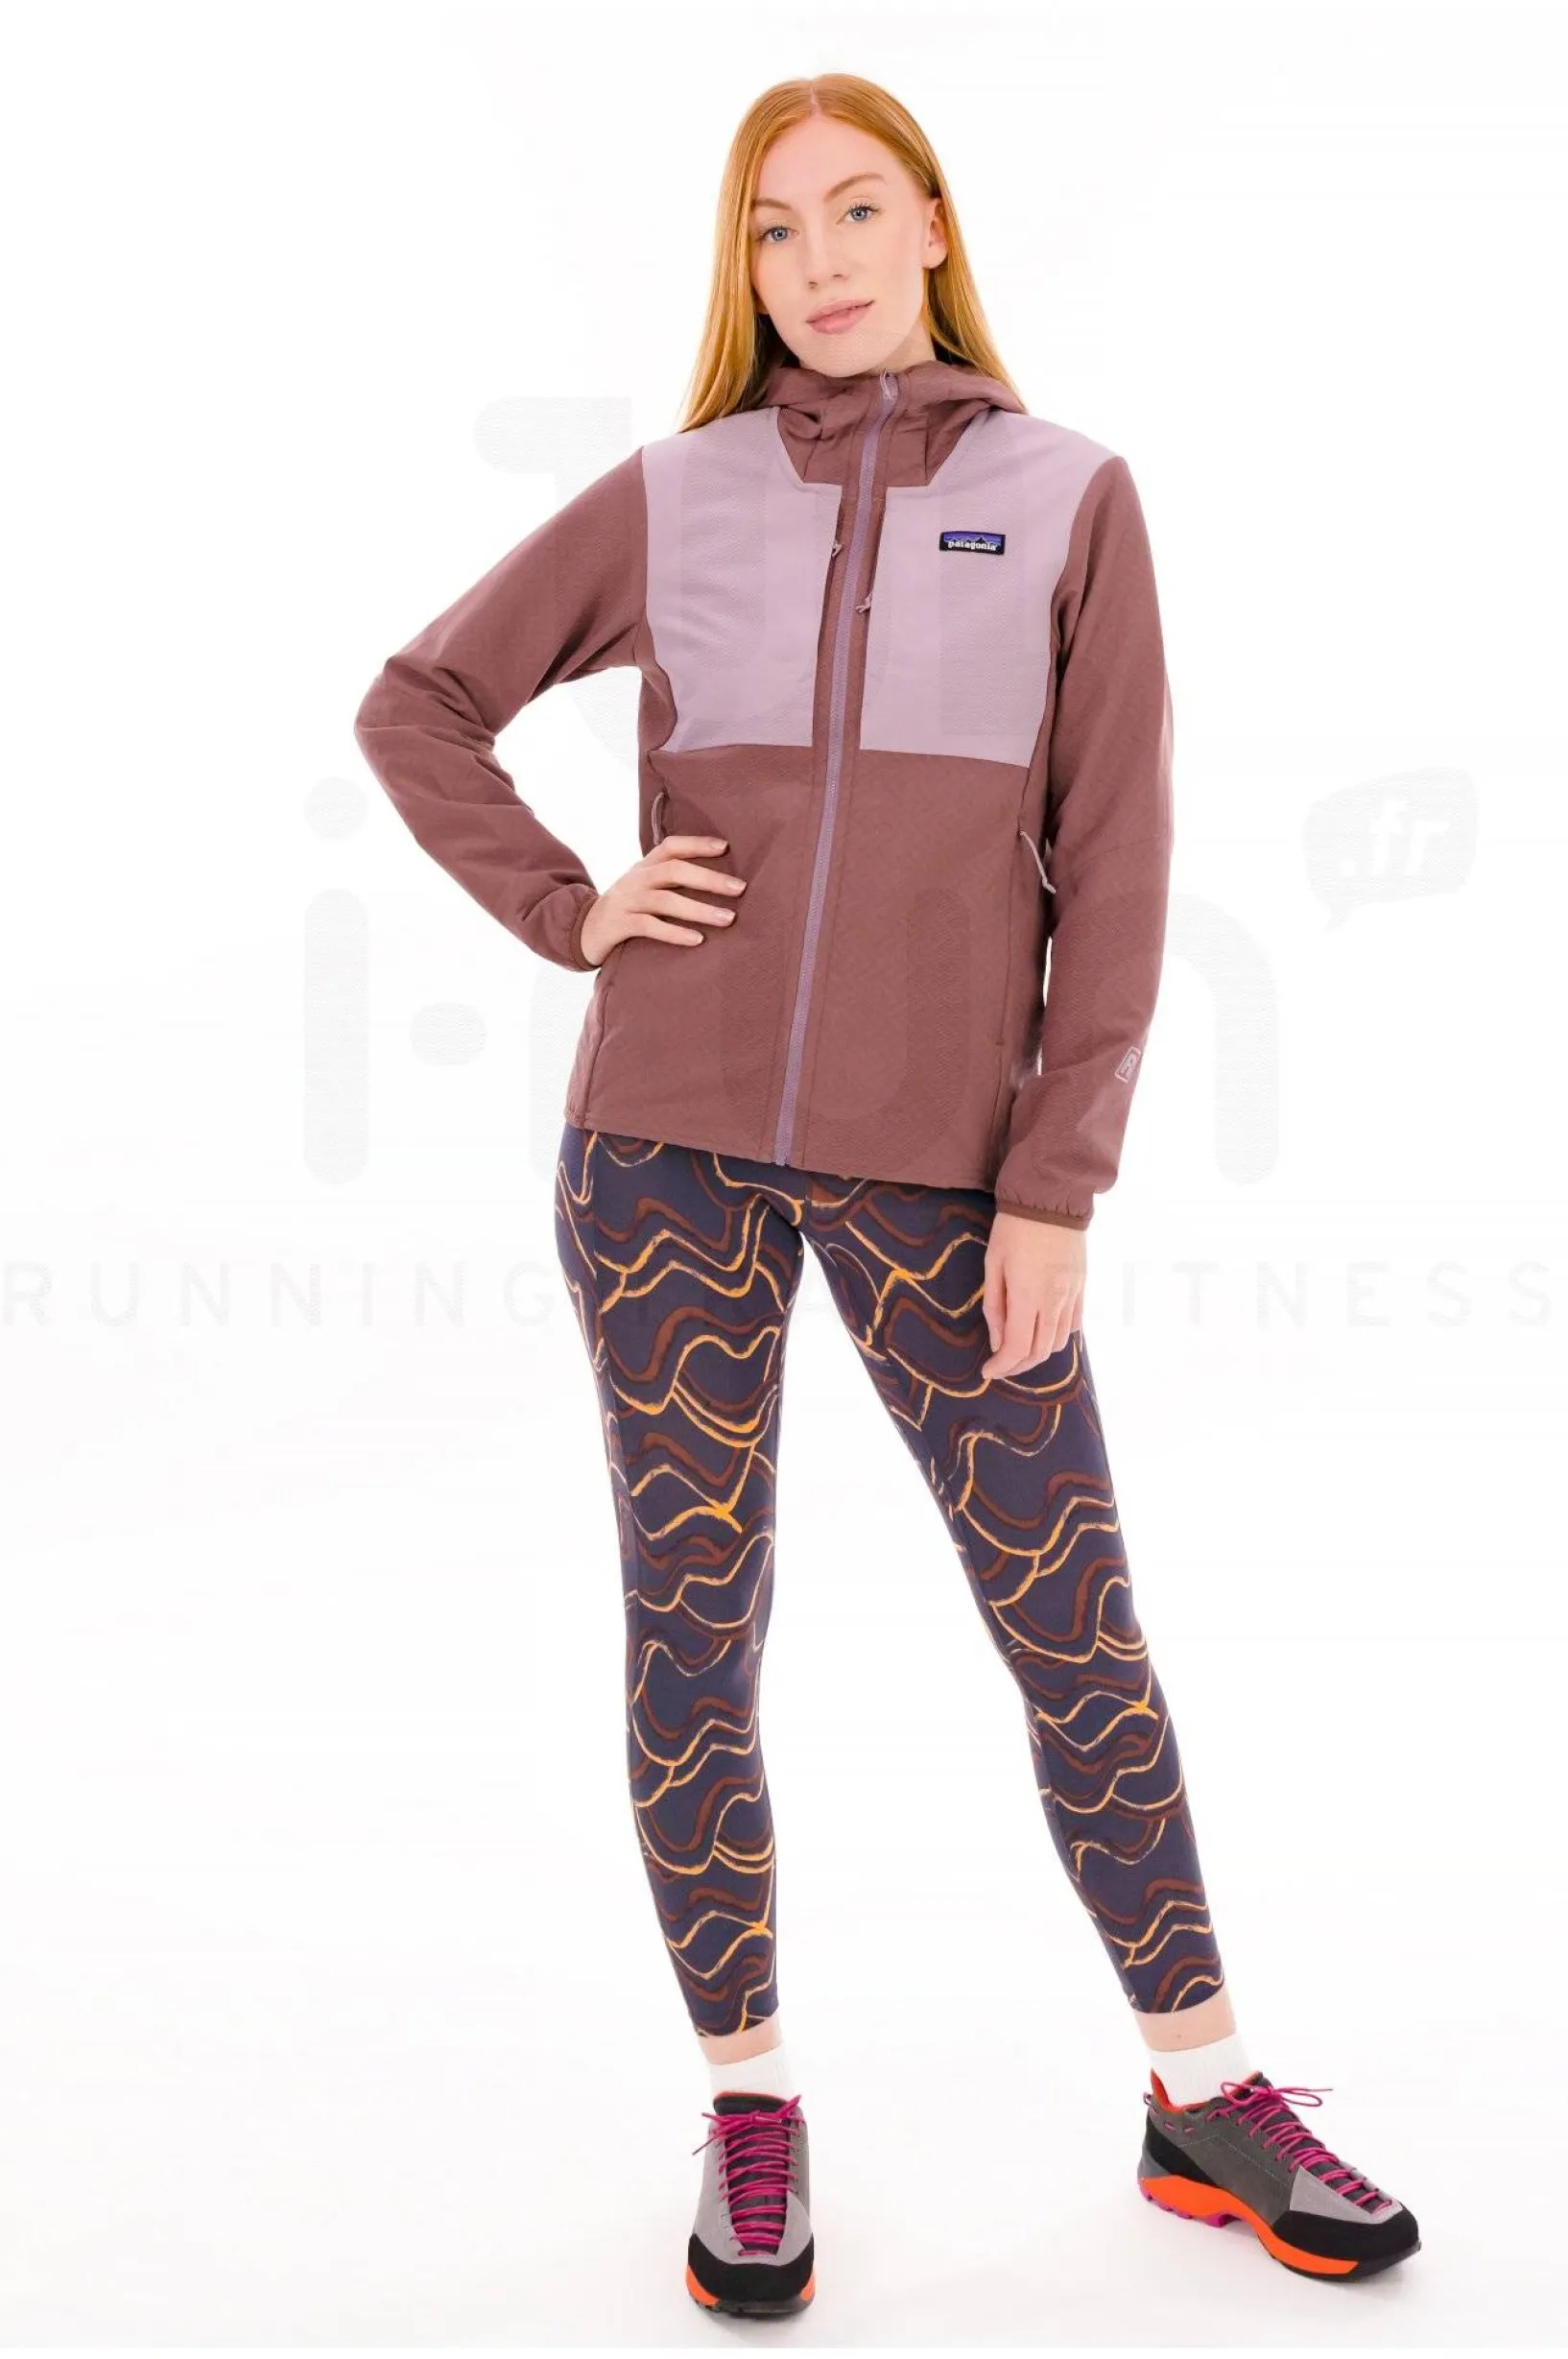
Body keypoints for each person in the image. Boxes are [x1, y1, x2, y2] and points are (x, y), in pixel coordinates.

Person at [353, 71, 1419, 2320]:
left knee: (1071, 1618)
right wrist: (570, 907)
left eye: (854, 210)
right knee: (693, 1626)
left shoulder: (1066, 497)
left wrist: (1059, 1180)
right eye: (772, 228)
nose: (816, 261)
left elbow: (1118, 862)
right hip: (662, 1147)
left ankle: (1206, 2088)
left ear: (931, 224)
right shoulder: (677, 493)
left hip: (951, 1175)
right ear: (739, 268)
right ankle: (747, 2098)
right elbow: (421, 702)